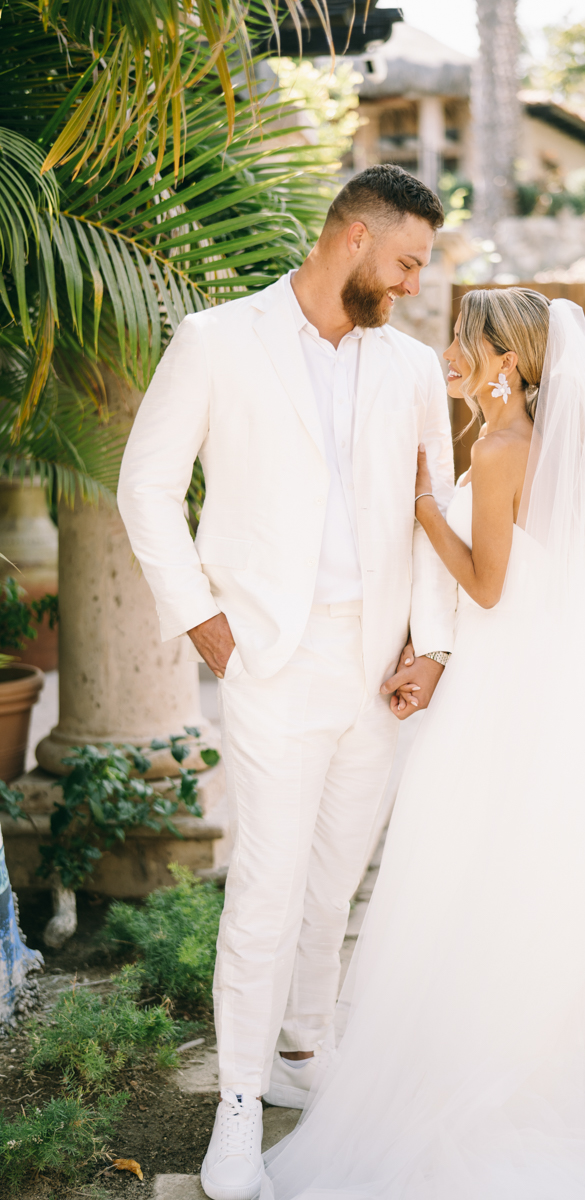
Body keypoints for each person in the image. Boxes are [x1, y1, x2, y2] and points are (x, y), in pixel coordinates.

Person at [262, 289, 585, 1200]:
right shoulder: (528, 448)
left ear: (507, 366)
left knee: (450, 875)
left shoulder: (496, 449)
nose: (448, 354)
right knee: (487, 878)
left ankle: (447, 1087)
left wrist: (421, 507)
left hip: (493, 697)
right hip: (503, 681)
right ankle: (495, 1063)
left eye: (463, 344)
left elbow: (487, 584)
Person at [116, 165, 458, 1200]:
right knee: (265, 891)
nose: (410, 286)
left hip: (377, 671)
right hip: (266, 659)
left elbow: (432, 504)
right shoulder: (218, 341)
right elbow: (146, 484)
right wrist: (204, 624)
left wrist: (431, 645)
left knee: (332, 879)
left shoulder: (406, 369)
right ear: (351, 238)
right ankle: (236, 1103)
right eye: (405, 262)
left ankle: (307, 1050)